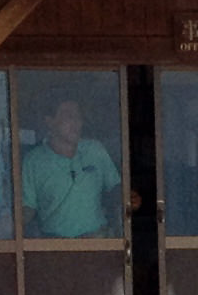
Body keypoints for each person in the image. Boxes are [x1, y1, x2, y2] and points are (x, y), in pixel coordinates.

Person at [19, 95, 124, 237]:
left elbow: (116, 188)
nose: (76, 121)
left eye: (78, 116)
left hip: (97, 241)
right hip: (55, 246)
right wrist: (8, 226)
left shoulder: (94, 150)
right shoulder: (33, 161)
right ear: (50, 121)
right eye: (68, 115)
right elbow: (28, 206)